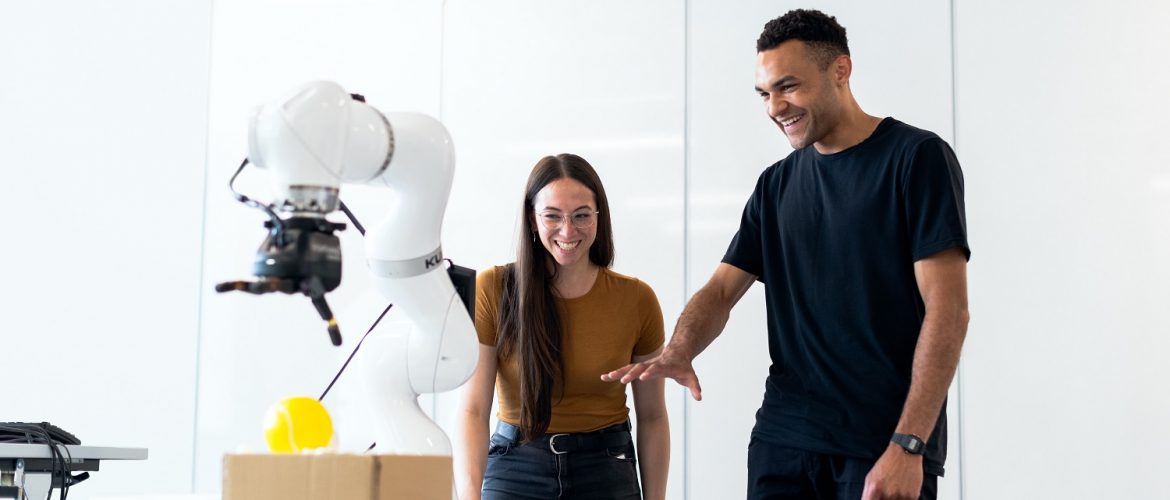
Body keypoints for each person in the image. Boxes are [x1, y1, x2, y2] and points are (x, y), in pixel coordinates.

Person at [602, 9, 970, 500]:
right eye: (764, 93)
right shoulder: (776, 185)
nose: (775, 107)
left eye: (788, 86)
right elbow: (720, 290)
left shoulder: (915, 159)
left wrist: (909, 444)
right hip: (783, 441)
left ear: (840, 70)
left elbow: (949, 311)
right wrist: (679, 350)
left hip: (880, 444)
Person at [455, 153, 670, 500]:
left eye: (582, 215)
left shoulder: (637, 299)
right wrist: (468, 495)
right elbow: (474, 410)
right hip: (516, 466)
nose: (568, 230)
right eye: (552, 216)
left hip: (606, 467)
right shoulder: (493, 288)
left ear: (599, 216)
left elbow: (653, 416)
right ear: (532, 218)